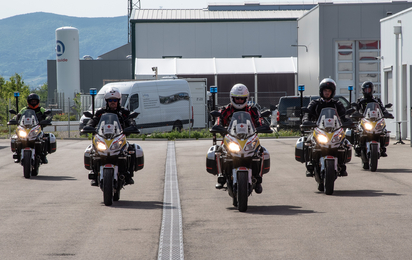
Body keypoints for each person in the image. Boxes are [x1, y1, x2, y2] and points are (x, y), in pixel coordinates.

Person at [214, 83, 264, 193]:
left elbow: (259, 120)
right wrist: (218, 127)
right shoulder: (225, 110)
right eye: (237, 99)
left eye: (242, 99)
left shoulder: (252, 110)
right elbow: (219, 120)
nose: (239, 101)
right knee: (217, 152)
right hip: (230, 138)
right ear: (232, 98)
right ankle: (221, 177)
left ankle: (258, 179)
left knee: (263, 152)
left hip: (249, 138)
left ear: (246, 98)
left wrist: (263, 126)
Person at [86, 87, 137, 186]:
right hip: (103, 137)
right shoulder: (101, 112)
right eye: (110, 100)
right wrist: (88, 126)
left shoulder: (123, 112)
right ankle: (94, 172)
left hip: (119, 137)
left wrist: (132, 126)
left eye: (115, 100)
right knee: (91, 151)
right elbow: (94, 120)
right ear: (106, 101)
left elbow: (130, 120)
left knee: (132, 150)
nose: (112, 102)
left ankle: (128, 174)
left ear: (118, 101)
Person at [302, 78, 348, 177]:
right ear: (321, 91)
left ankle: (342, 164)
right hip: (318, 129)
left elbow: (344, 116)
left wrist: (348, 121)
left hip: (334, 130)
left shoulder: (337, 104)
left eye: (329, 91)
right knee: (308, 142)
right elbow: (307, 113)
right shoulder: (315, 103)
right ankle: (310, 164)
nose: (327, 93)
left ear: (332, 92)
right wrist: (306, 120)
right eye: (325, 91)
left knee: (345, 143)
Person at [354, 81, 393, 157]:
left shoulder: (376, 100)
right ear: (363, 90)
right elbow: (356, 109)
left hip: (375, 120)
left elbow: (381, 108)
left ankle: (382, 147)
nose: (367, 91)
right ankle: (358, 146)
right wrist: (356, 113)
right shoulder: (360, 100)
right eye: (366, 89)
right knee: (357, 131)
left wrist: (386, 113)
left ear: (372, 90)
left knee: (383, 131)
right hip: (364, 120)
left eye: (369, 89)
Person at [12, 93, 49, 164]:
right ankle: (17, 153)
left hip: (37, 128)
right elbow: (18, 115)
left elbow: (46, 114)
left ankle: (43, 155)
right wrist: (14, 119)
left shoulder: (41, 109)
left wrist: (47, 119)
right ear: (28, 102)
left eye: (35, 101)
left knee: (44, 138)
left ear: (38, 102)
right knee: (17, 138)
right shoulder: (24, 109)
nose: (33, 103)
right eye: (32, 101)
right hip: (25, 128)